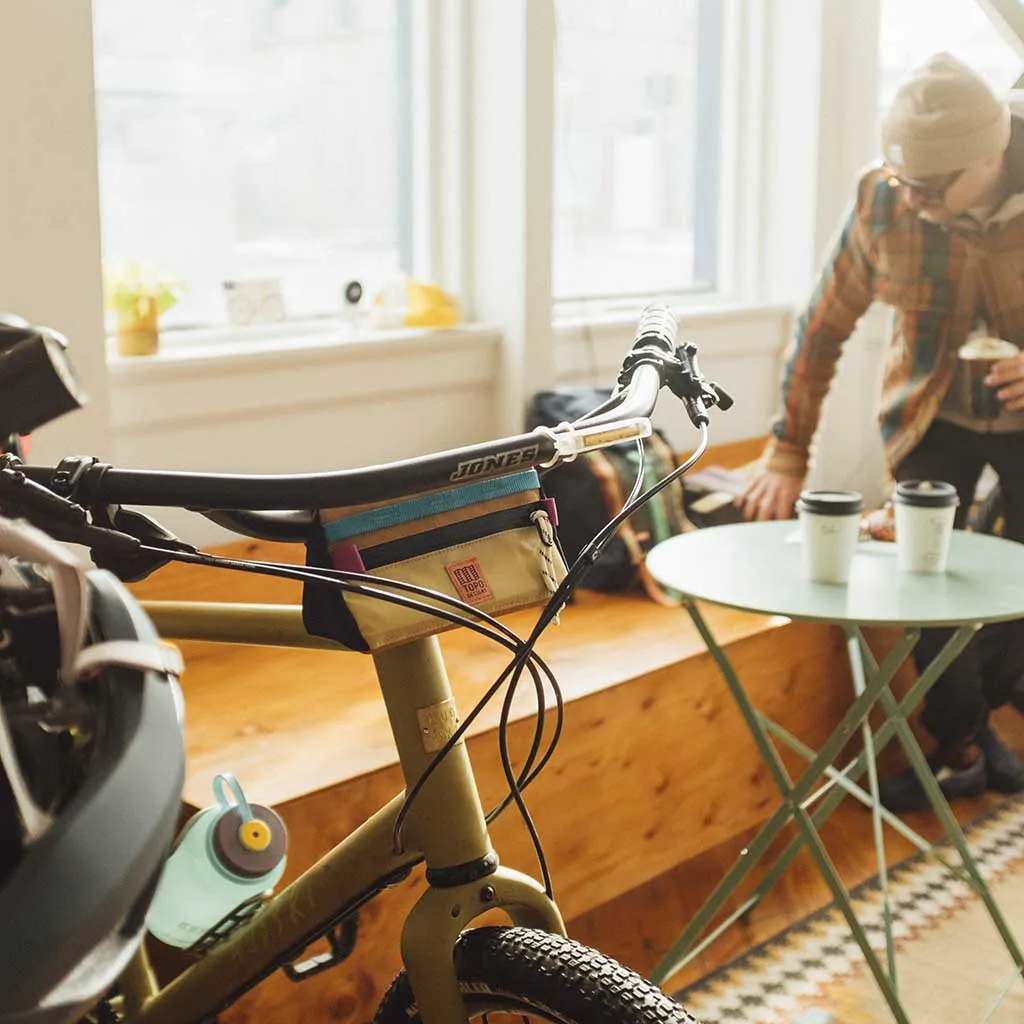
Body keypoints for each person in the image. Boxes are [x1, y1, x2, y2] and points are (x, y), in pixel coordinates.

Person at [738, 52, 1024, 813]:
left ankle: (996, 703)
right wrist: (787, 449)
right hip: (930, 412)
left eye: (934, 188)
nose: (918, 202)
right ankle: (962, 744)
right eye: (907, 184)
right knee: (921, 573)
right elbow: (822, 326)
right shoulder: (884, 201)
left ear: (993, 156)